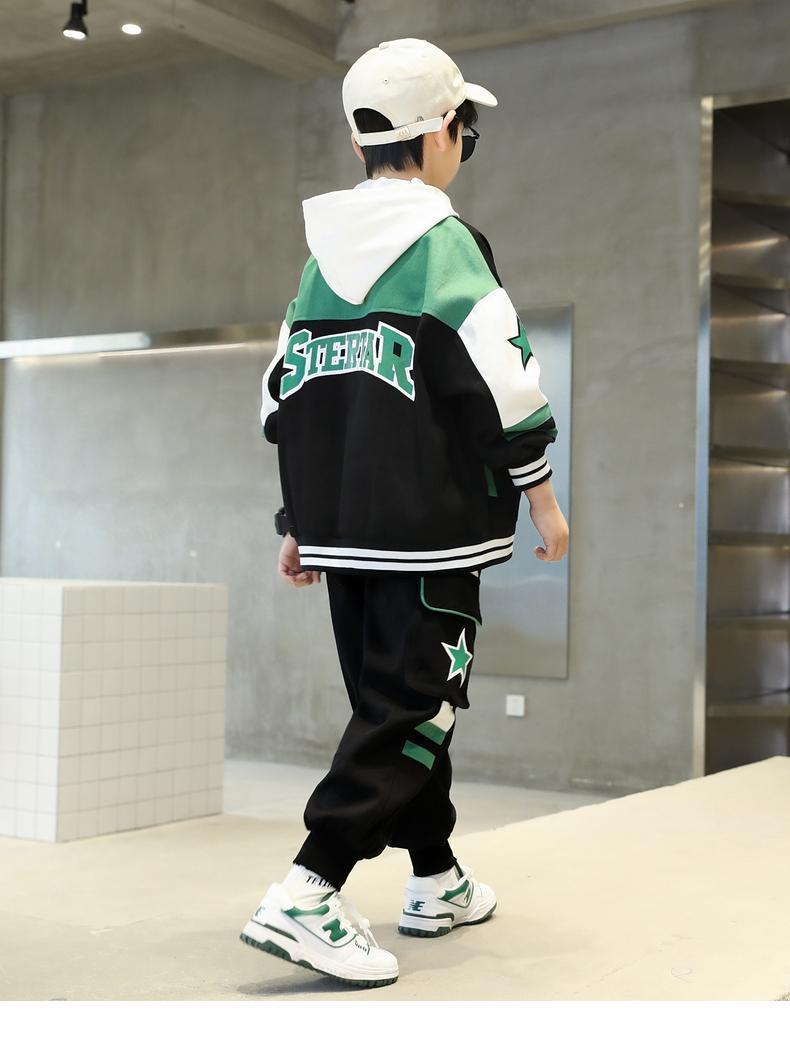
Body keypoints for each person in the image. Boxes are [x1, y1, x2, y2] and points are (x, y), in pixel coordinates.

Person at [240, 37, 569, 989]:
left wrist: (300, 521)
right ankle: (310, 888)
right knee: (416, 708)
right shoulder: (445, 245)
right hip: (431, 532)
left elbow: (282, 397)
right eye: (467, 129)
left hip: (343, 534)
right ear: (442, 134)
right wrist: (542, 493)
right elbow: (504, 377)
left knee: (392, 706)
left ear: (359, 142)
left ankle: (436, 877)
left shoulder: (318, 264)